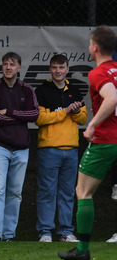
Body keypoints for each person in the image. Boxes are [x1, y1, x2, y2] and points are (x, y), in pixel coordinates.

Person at [60, 26, 117, 260]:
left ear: (94, 47)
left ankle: (82, 249)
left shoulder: (98, 73)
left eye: (90, 43)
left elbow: (112, 97)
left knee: (83, 192)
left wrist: (92, 124)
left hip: (106, 140)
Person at [0, 51, 39, 241]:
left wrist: (9, 112)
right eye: (5, 64)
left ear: (19, 67)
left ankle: (9, 234)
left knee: (15, 193)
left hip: (22, 148)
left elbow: (34, 114)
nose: (8, 67)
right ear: (2, 67)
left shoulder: (27, 89)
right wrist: (17, 118)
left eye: (12, 64)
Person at [34, 53, 86, 243]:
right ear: (50, 69)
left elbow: (83, 118)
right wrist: (65, 111)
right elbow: (39, 118)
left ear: (67, 69)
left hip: (71, 149)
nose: (58, 71)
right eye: (55, 67)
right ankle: (45, 232)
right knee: (47, 191)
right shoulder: (41, 91)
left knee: (67, 193)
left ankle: (66, 232)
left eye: (61, 67)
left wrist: (76, 110)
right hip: (49, 148)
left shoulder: (75, 90)